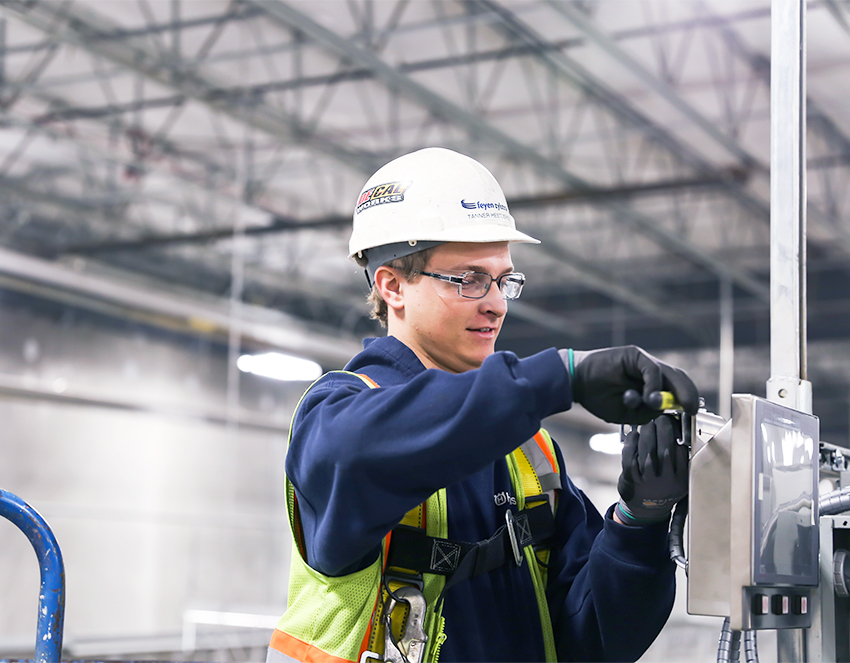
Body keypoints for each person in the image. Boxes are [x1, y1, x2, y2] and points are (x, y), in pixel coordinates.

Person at [267, 147, 699, 663]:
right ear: (392, 286)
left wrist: (638, 522)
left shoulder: (530, 452)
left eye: (503, 280)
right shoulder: (338, 415)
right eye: (469, 279)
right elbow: (362, 452)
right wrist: (560, 376)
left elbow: (592, 642)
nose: (496, 302)